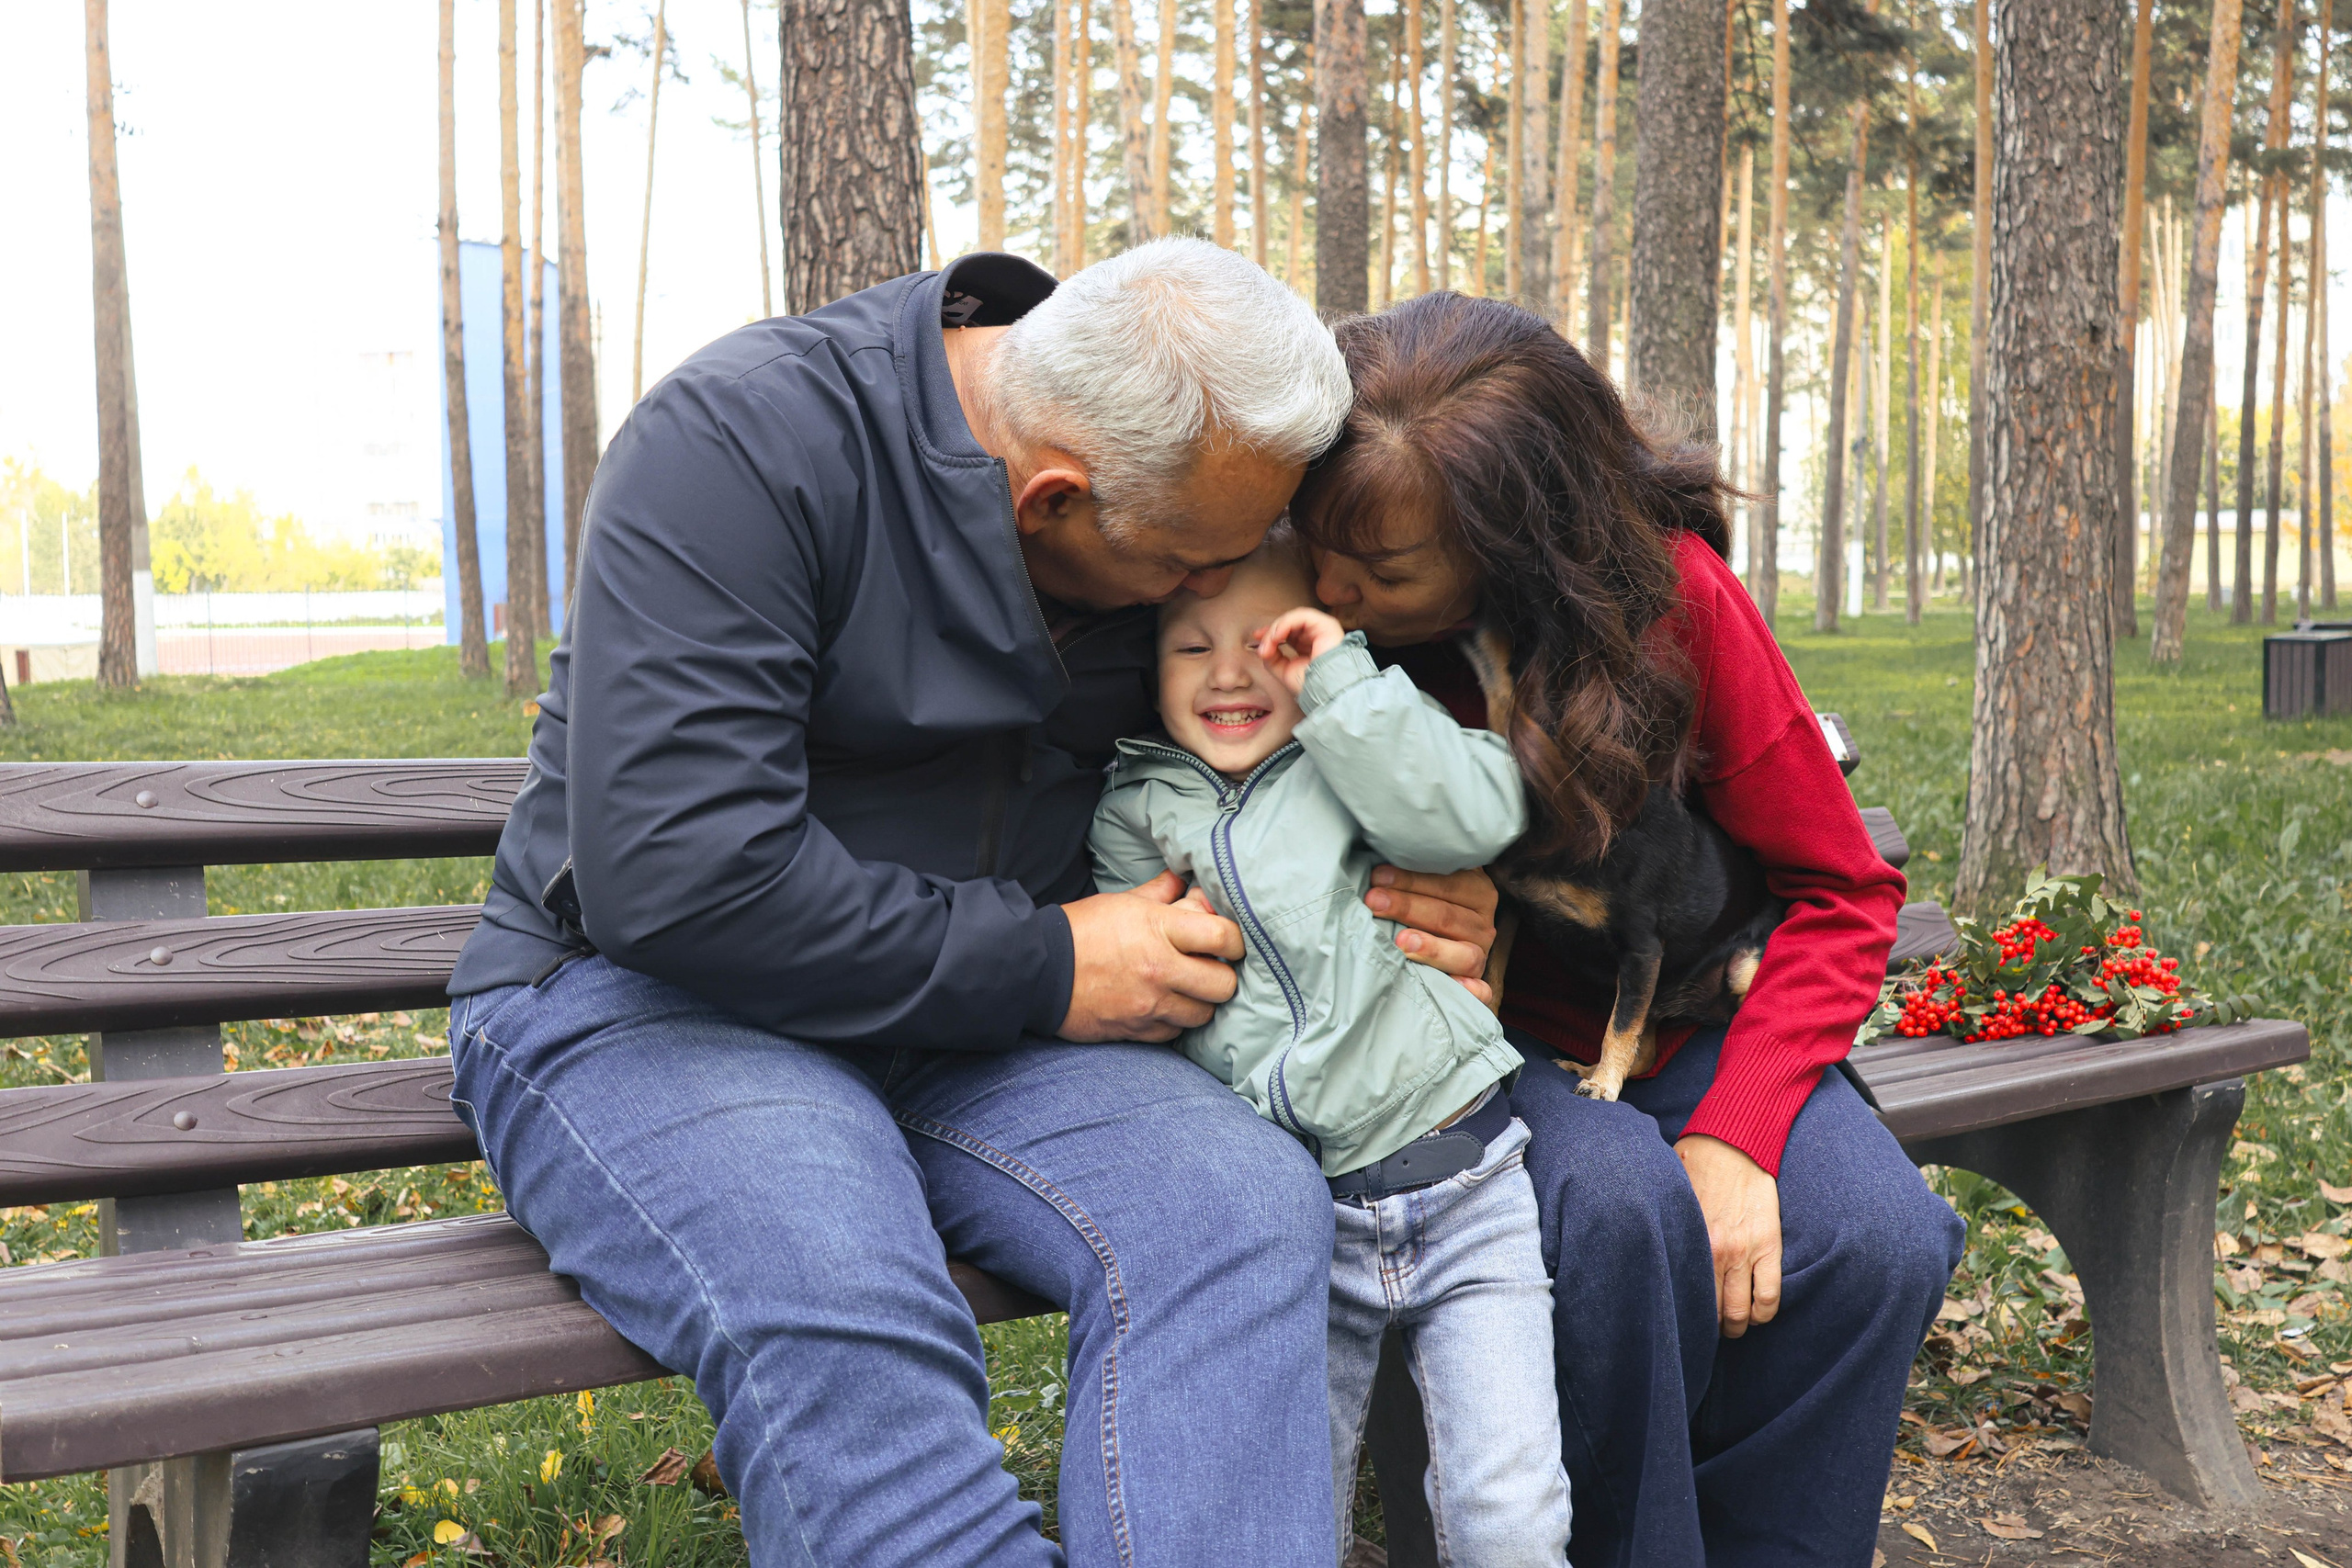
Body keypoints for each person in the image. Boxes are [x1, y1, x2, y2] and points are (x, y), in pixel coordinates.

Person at [441, 240, 1501, 1566]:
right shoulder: (745, 444)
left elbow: (1298, 725)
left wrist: (1428, 870)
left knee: (1239, 1207)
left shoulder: (1172, 475)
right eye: (1185, 567)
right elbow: (677, 871)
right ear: (1049, 499)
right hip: (653, 1000)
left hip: (977, 1030)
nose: (1208, 586)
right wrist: (1048, 962)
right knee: (842, 1292)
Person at [1291, 290, 1967, 1567]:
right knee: (1614, 1218)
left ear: (1518, 546)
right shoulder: (1312, 635)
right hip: (1466, 1052)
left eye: (1381, 573)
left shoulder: (1678, 607)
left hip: (1690, 1014)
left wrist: (1742, 1125)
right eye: (1321, 545)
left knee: (1876, 1237)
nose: (1329, 590)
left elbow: (1838, 886)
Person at [1089, 542, 1570, 1564]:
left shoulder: (1358, 756)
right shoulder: (1136, 809)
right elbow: (1148, 1008)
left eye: (1270, 644)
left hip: (1469, 1186)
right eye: (1190, 646)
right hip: (1305, 1223)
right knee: (1294, 1511)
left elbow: (1475, 813)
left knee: (1507, 1514)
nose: (1229, 671)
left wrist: (1343, 691)